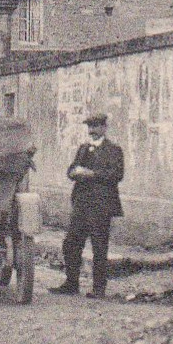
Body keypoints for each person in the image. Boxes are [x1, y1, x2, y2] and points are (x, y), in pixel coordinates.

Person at [52, 112, 124, 299]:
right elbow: (71, 169)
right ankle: (71, 283)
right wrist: (74, 172)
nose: (91, 131)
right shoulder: (83, 149)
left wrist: (91, 174)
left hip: (101, 205)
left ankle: (99, 289)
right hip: (82, 205)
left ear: (104, 128)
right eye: (89, 127)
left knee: (99, 247)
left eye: (95, 127)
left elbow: (116, 174)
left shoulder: (114, 150)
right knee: (71, 243)